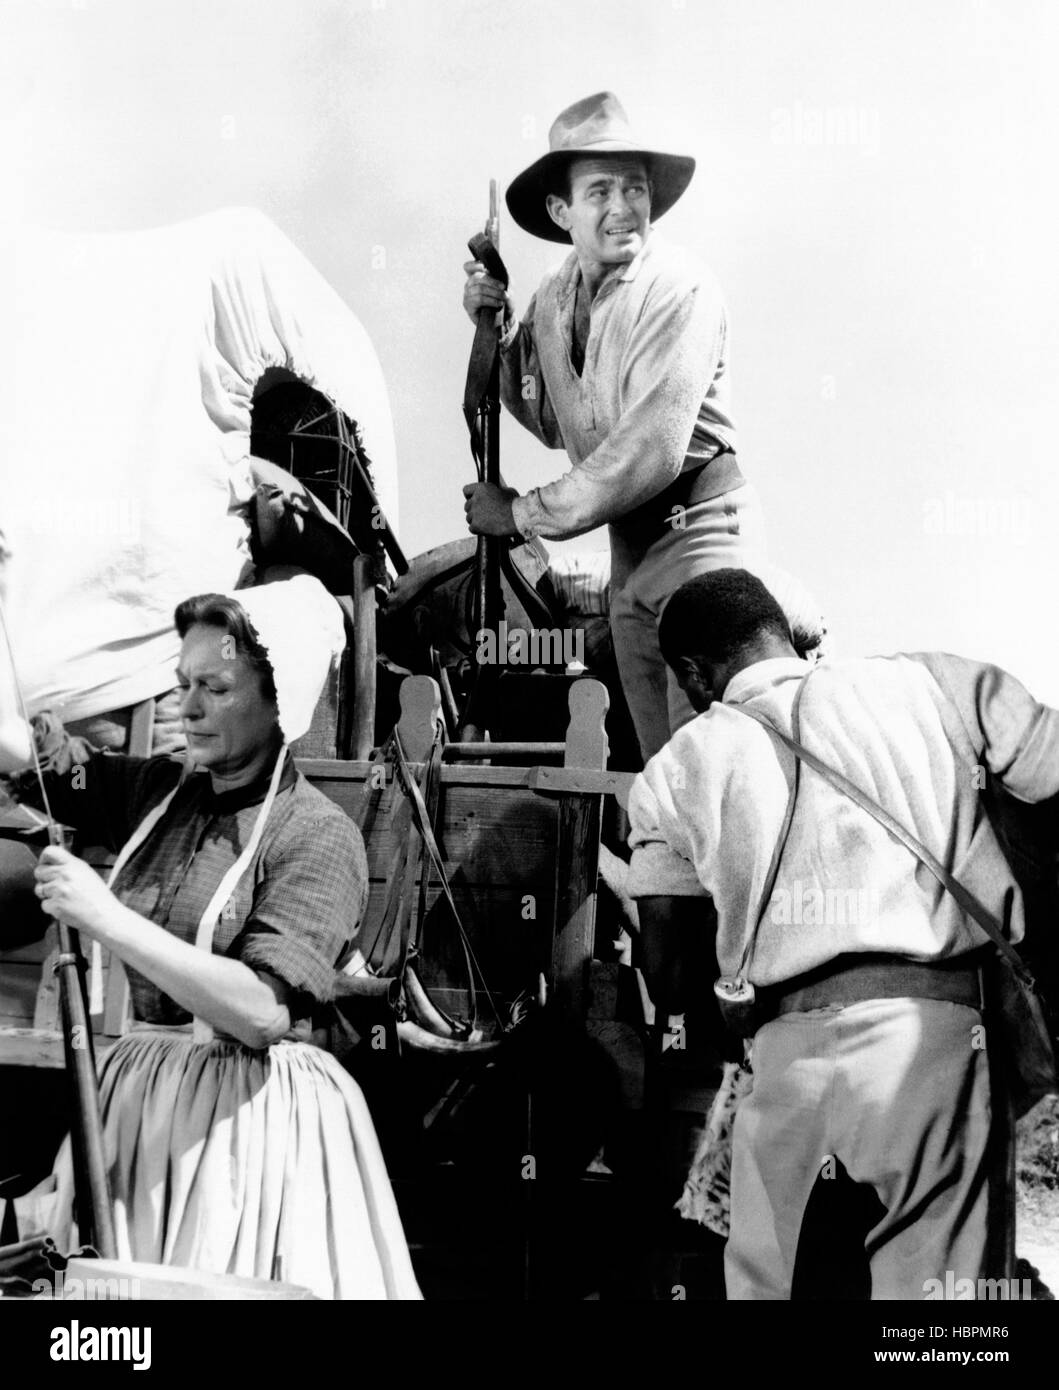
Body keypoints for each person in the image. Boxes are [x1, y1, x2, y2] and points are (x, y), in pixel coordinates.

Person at [624, 568, 1059, 1300]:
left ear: (695, 674)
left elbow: (666, 974)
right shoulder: (931, 684)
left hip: (782, 1058)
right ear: (782, 635)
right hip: (936, 1041)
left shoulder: (672, 771)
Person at [0, 570, 421, 1300]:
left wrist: (105, 916)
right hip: (134, 1104)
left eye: (215, 689)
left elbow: (261, 1011)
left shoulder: (317, 835)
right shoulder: (160, 793)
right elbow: (27, 766)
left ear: (280, 698)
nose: (186, 708)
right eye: (182, 683)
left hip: (242, 1126)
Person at [462, 91, 767, 763]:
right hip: (629, 549)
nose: (622, 207)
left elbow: (645, 452)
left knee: (716, 764)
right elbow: (548, 416)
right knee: (663, 772)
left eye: (634, 187)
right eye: (598, 191)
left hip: (700, 535)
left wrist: (518, 514)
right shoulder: (553, 300)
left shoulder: (679, 289)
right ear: (559, 211)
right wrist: (496, 326)